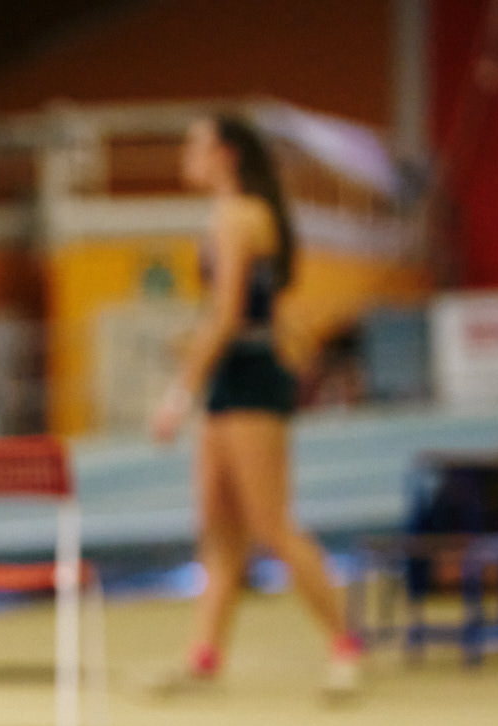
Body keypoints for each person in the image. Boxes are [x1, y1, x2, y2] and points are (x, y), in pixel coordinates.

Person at [149, 115, 362, 695]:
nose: (185, 154)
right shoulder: (233, 215)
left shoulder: (239, 216)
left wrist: (178, 393)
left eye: (194, 144)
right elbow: (246, 312)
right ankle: (204, 656)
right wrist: (198, 353)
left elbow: (228, 316)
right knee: (219, 530)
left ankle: (345, 644)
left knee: (270, 524)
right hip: (231, 377)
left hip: (249, 382)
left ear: (226, 153)